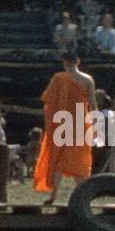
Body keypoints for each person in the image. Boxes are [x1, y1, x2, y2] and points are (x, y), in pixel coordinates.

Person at [34, 51, 96, 203]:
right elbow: (93, 104)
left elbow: (49, 101)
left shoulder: (59, 78)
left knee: (59, 160)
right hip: (82, 123)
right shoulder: (88, 79)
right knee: (80, 161)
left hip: (63, 123)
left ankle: (53, 196)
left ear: (64, 63)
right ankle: (83, 198)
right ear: (78, 61)